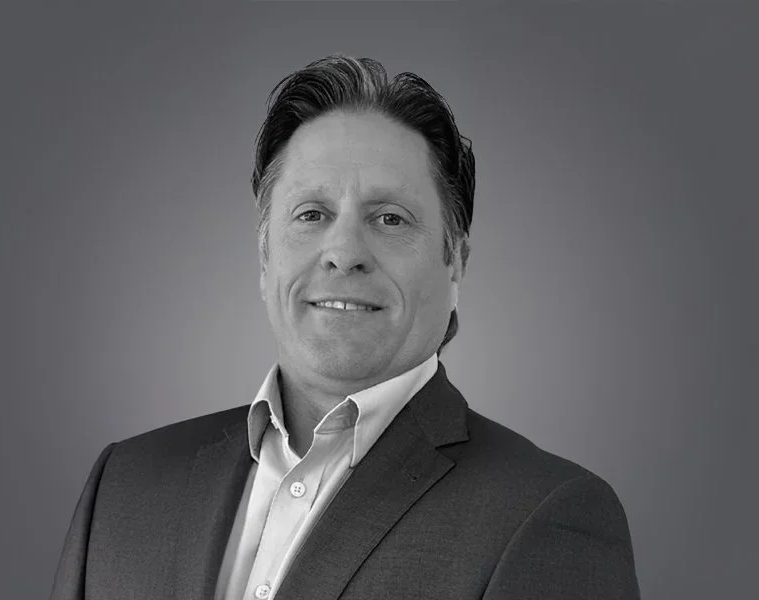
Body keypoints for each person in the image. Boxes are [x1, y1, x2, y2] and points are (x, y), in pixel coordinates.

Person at [50, 54, 641, 600]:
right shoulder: (124, 486)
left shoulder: (549, 515)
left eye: (389, 218)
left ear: (455, 258)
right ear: (264, 258)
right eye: (311, 214)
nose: (343, 252)